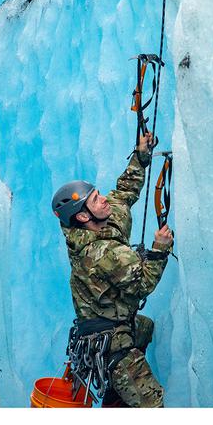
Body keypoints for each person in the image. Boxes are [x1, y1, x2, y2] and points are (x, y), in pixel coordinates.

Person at [51, 132, 173, 407]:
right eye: (95, 199)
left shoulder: (101, 220)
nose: (103, 199)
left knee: (144, 327)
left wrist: (140, 156)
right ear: (83, 216)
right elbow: (142, 283)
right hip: (109, 345)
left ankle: (117, 400)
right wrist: (158, 249)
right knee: (152, 405)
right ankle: (122, 389)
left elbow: (124, 193)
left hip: (119, 326)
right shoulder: (99, 254)